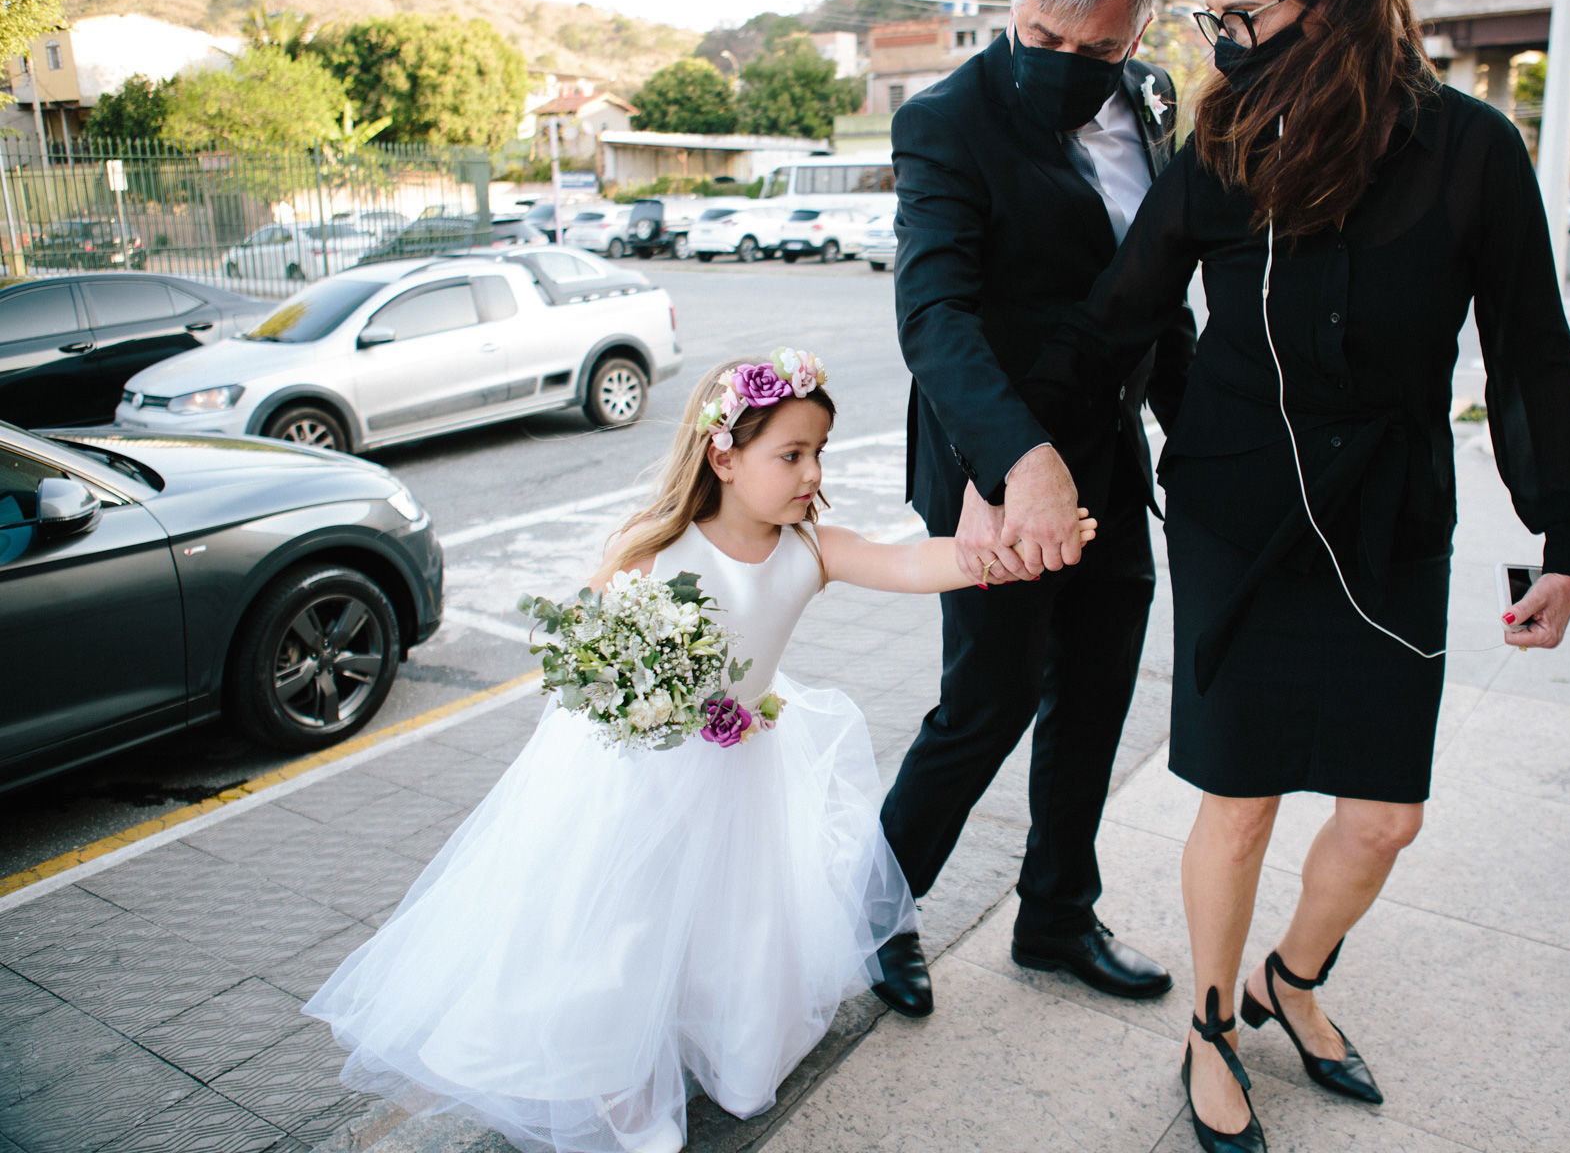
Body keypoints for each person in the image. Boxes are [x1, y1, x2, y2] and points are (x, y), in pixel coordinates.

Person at [1023, 0, 1570, 1149]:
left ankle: (1292, 976)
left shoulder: (1469, 150)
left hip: (1390, 511)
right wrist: (1013, 458)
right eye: (1213, 21)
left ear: (1333, 0)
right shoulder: (1227, 144)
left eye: (1245, 18)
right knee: (1239, 798)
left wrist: (1565, 531)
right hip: (1237, 511)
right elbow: (1117, 321)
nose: (1225, 45)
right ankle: (1212, 1025)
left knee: (1386, 812)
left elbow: (1530, 347)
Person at [304, 352, 1096, 1153]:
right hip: (641, 780)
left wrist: (993, 557)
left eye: (818, 452)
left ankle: (728, 1043)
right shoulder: (656, 551)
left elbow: (904, 560)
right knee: (631, 926)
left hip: (743, 771)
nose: (812, 473)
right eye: (791, 455)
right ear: (723, 458)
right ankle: (615, 1077)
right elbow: (592, 655)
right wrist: (635, 687)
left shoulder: (810, 550)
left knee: (737, 920)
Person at [874, 0, 1195, 1018]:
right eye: (1041, 37)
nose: (1065, 64)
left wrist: (1203, 441)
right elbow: (935, 316)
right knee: (989, 701)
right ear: (1013, 5)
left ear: (1139, 29)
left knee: (1097, 694)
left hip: (1110, 454)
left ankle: (1056, 912)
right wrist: (1016, 462)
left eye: (1095, 49)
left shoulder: (1153, 98)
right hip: (993, 463)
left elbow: (1158, 291)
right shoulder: (944, 122)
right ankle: (876, 910)